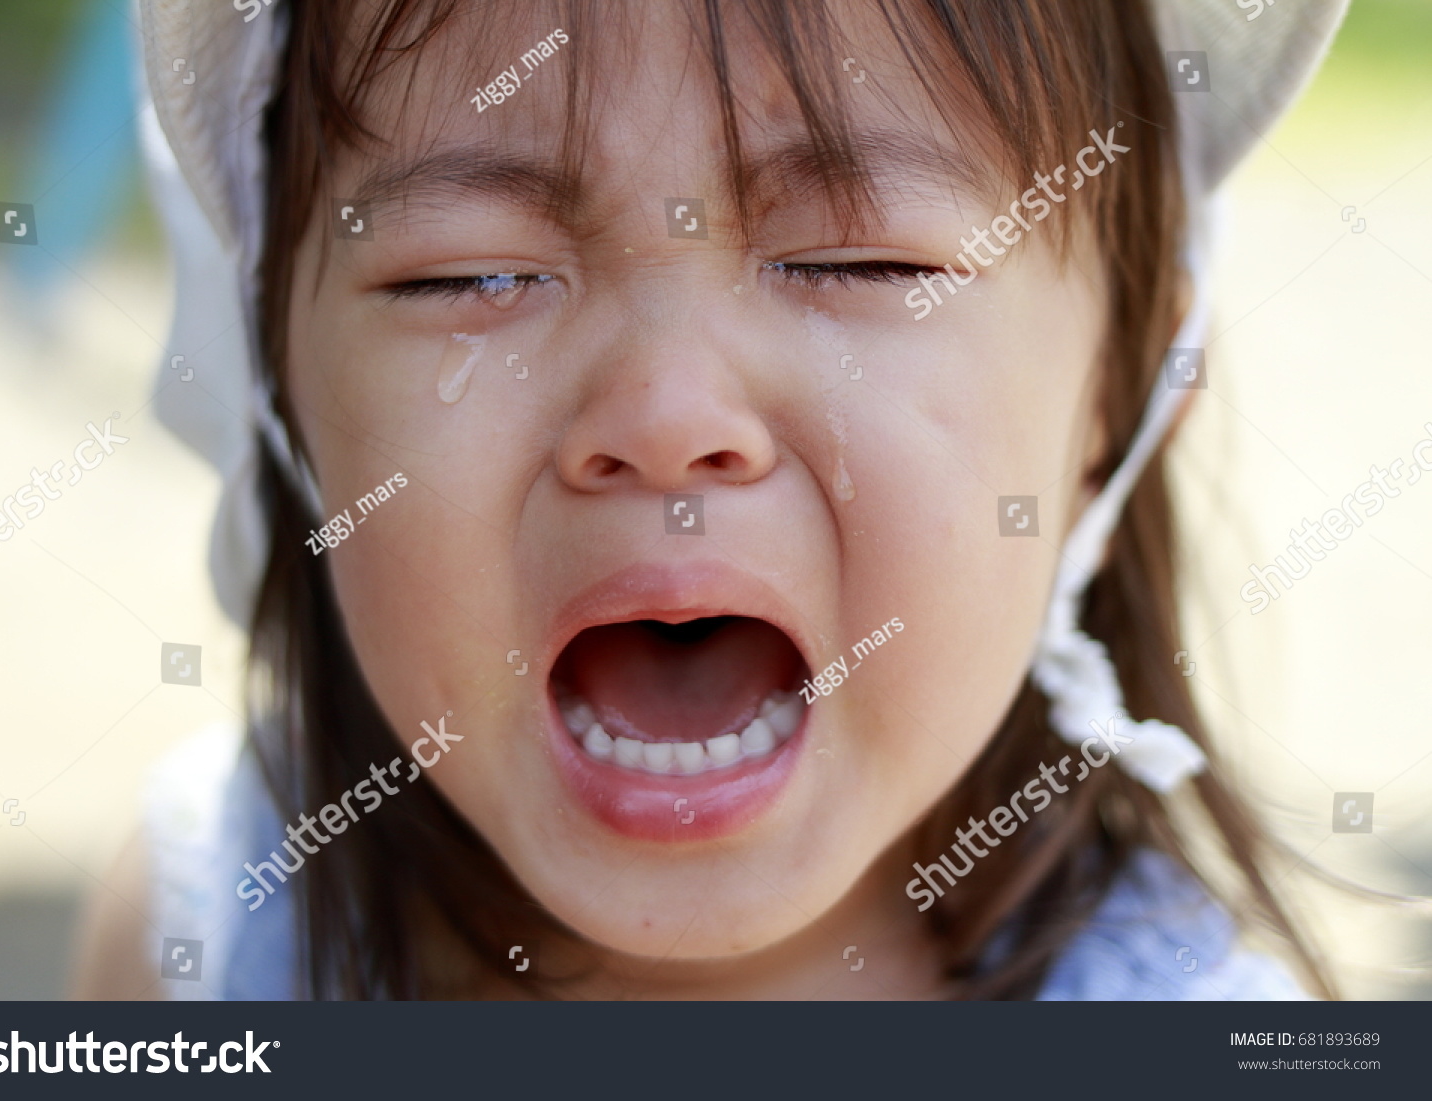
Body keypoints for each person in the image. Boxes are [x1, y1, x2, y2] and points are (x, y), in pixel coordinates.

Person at [74, 0, 1348, 1000]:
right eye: (470, 273)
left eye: (861, 260)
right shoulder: (201, 935)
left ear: (1124, 395)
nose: (667, 422)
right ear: (278, 388)